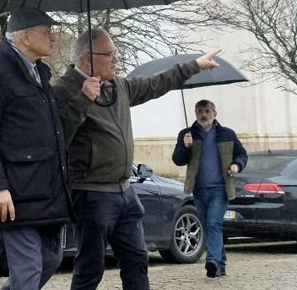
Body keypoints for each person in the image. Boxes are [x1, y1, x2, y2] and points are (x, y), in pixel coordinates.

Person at [49, 28, 220, 290]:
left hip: (125, 192)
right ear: (87, 58)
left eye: (117, 53)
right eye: (111, 54)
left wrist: (194, 65)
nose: (117, 59)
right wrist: (83, 99)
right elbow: (58, 136)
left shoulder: (118, 86)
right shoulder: (63, 89)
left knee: (137, 259)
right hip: (91, 193)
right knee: (90, 267)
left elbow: (156, 83)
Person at [0, 8, 74, 290]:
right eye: (46, 31)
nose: (53, 37)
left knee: (50, 259)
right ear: (26, 36)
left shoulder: (41, 74)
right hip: (16, 193)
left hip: (46, 192)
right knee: (28, 270)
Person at [171, 99, 247, 278]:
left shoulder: (227, 134)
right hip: (198, 188)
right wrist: (185, 146)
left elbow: (241, 154)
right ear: (195, 114)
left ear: (215, 113)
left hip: (221, 188)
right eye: (199, 112)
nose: (203, 115)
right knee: (208, 225)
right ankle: (220, 265)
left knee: (214, 223)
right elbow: (178, 160)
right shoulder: (187, 134)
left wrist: (237, 165)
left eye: (207, 111)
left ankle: (211, 261)